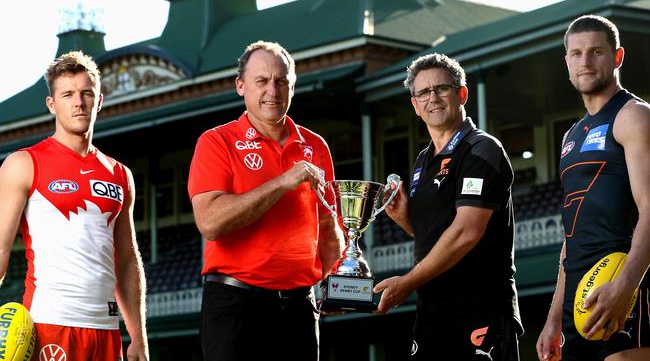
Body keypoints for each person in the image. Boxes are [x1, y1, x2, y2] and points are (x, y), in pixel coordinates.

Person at [187, 40, 344, 361]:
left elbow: (328, 224)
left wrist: (341, 280)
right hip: (236, 301)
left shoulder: (315, 146)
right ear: (240, 86)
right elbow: (211, 223)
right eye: (261, 81)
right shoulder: (217, 141)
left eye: (281, 81)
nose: (272, 90)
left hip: (300, 305)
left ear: (292, 87)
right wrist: (283, 183)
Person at [373, 53, 523, 360]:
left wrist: (407, 282)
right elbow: (436, 237)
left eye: (442, 89)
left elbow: (467, 233)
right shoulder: (422, 162)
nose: (433, 98)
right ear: (414, 105)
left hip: (481, 310)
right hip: (433, 311)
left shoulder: (482, 149)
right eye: (423, 93)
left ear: (462, 93)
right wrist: (405, 220)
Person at [0, 51, 148, 360]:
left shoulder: (120, 174)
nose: (78, 102)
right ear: (52, 105)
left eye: (86, 93)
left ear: (99, 101)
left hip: (107, 332)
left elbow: (127, 259)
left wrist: (138, 337)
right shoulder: (24, 164)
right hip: (49, 326)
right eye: (67, 94)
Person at [536, 15, 650, 361]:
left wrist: (625, 285)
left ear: (617, 57)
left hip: (628, 292)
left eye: (596, 52)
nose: (585, 62)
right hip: (578, 305)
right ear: (567, 61)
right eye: (576, 53)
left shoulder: (634, 116)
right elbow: (571, 236)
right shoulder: (571, 137)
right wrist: (555, 317)